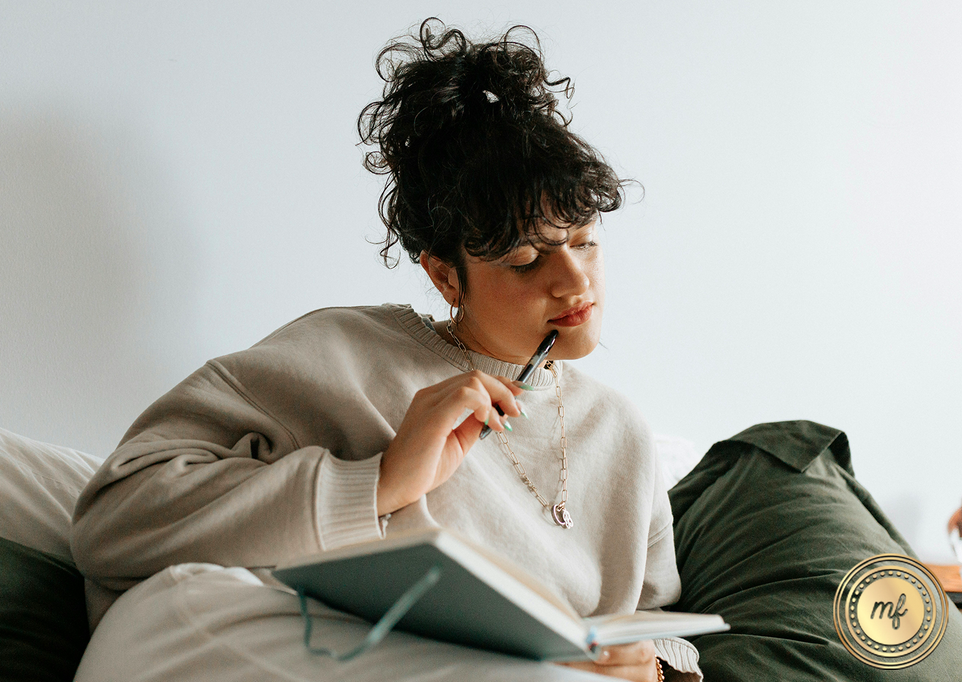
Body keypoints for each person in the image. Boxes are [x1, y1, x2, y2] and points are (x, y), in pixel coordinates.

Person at [70, 18, 702, 682]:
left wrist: (650, 668)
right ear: (444, 275)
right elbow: (113, 520)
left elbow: (661, 625)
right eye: (525, 260)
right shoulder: (339, 355)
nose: (575, 282)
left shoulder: (622, 434)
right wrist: (379, 482)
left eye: (585, 240)